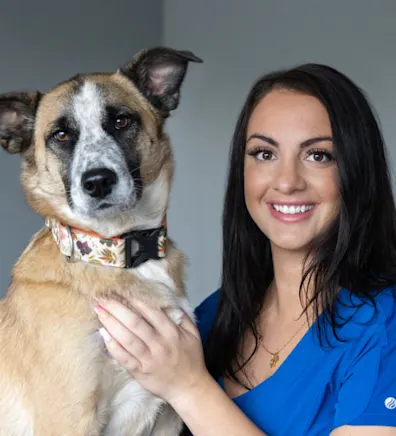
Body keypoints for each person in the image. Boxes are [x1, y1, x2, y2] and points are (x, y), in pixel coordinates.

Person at [94, 63, 396, 435]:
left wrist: (189, 387)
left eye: (318, 155)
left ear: (357, 170)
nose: (286, 182)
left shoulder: (383, 327)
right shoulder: (215, 316)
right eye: (264, 154)